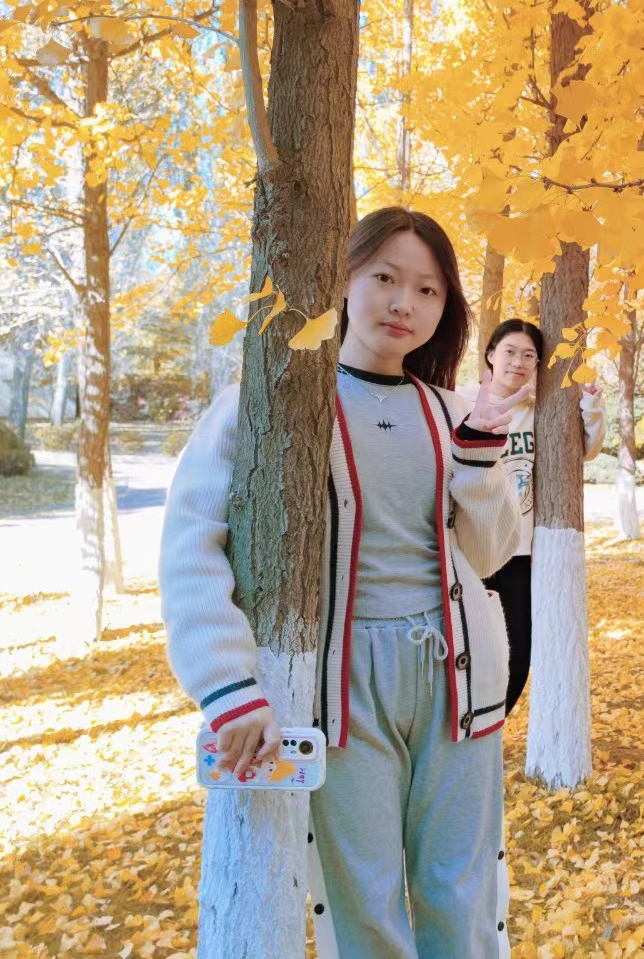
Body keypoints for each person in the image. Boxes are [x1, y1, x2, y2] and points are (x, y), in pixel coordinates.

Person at [161, 207, 525, 956]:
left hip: (458, 678)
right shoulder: (271, 404)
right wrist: (226, 685)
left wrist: (482, 454)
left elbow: (490, 554)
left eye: (427, 289)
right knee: (365, 903)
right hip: (342, 687)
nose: (403, 303)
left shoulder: (454, 412)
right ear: (343, 279)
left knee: (461, 892)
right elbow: (192, 540)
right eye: (384, 277)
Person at [478, 317, 605, 714]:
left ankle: (491, 728)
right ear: (491, 355)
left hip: (518, 552)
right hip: (469, 549)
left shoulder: (540, 412)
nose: (518, 362)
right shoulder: (462, 402)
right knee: (469, 648)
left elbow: (585, 450)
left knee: (519, 652)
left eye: (528, 356)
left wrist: (591, 405)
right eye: (510, 352)